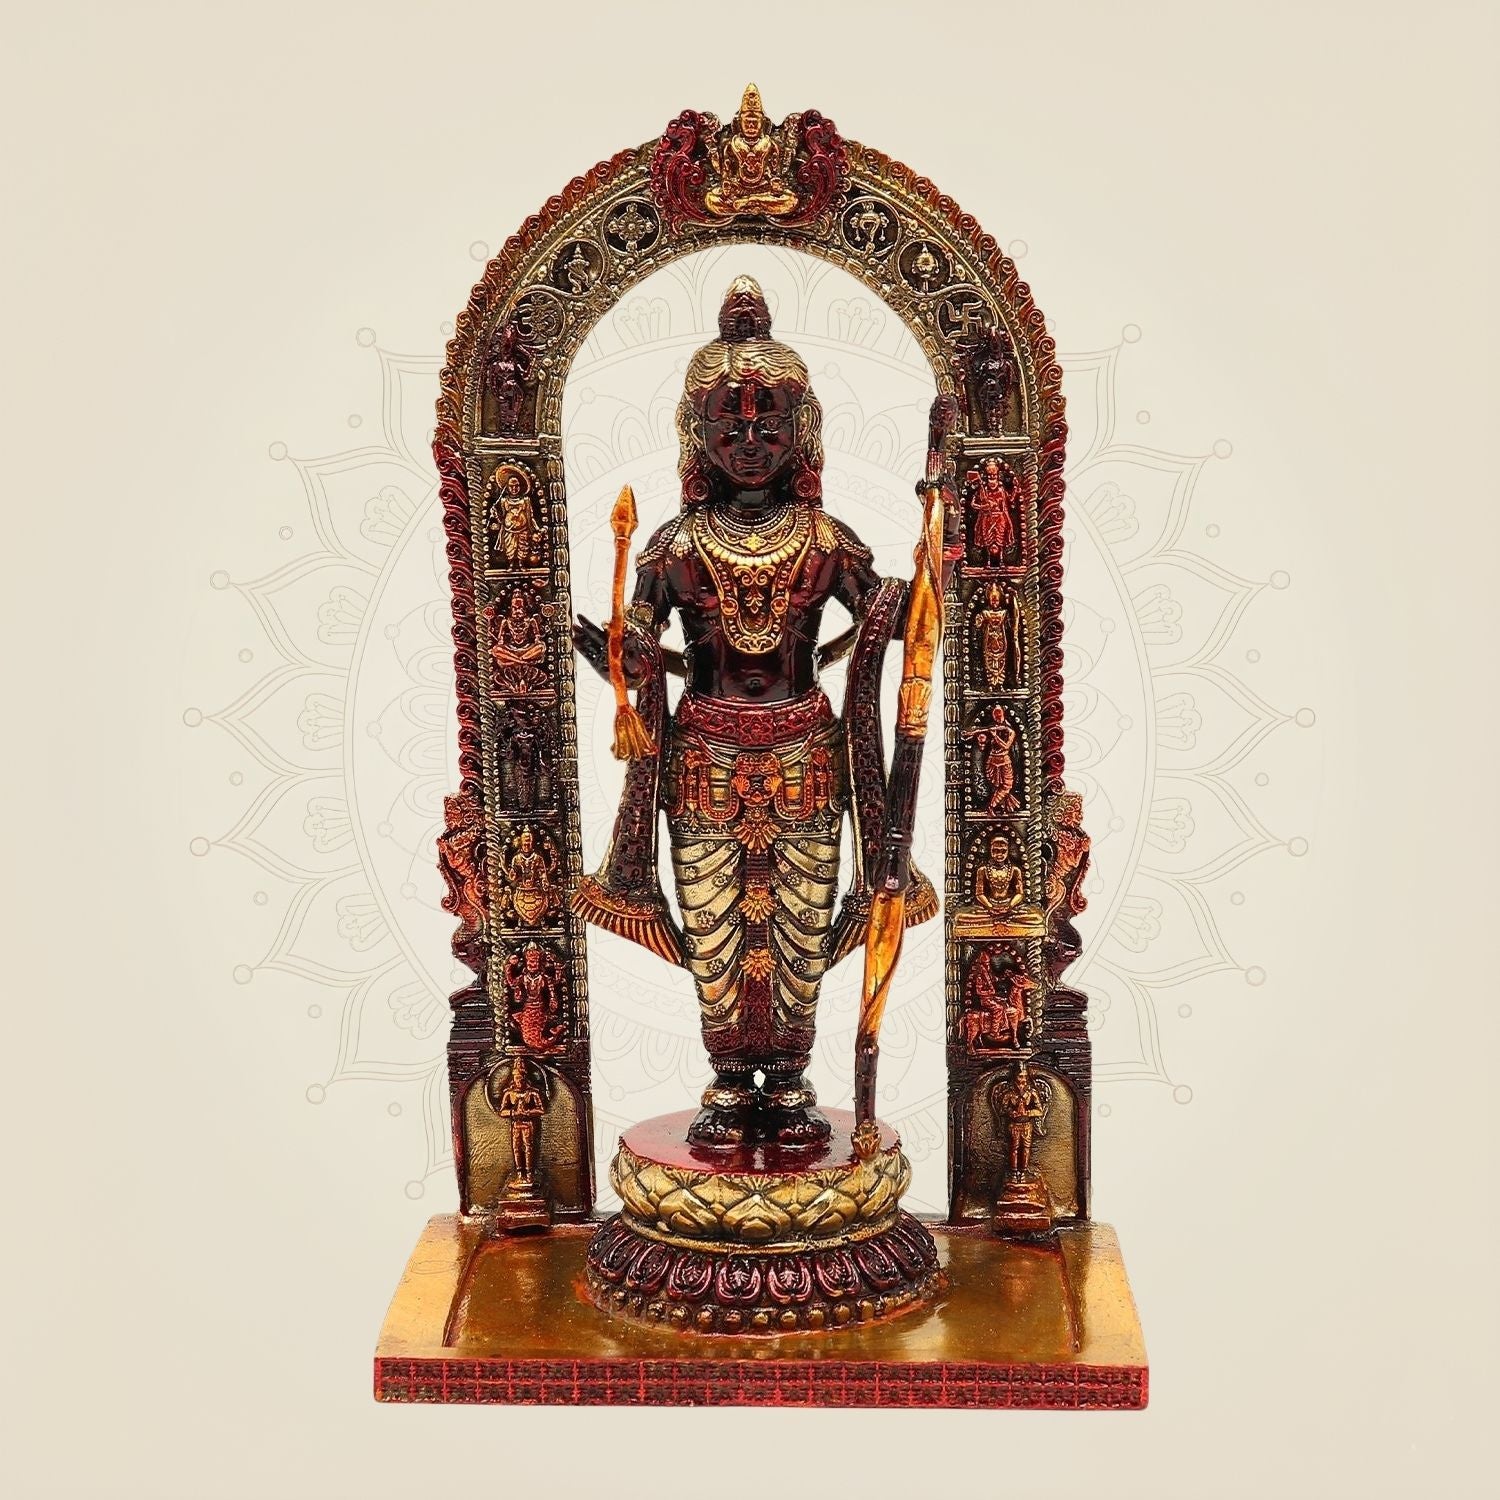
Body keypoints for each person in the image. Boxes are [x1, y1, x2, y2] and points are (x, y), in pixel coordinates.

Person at [572, 276, 948, 1146]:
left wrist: (931, 567)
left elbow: (893, 613)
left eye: (768, 426)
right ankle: (728, 1079)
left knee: (799, 927)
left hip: (806, 756)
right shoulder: (673, 544)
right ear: (696, 437)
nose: (749, 443)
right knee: (715, 929)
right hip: (702, 759)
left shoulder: (825, 540)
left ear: (801, 432)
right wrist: (624, 657)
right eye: (729, 428)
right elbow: (642, 639)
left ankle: (786, 1080)